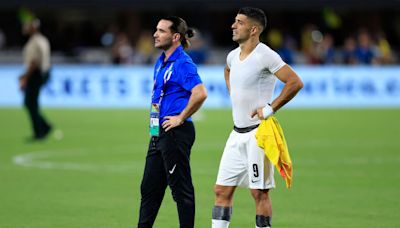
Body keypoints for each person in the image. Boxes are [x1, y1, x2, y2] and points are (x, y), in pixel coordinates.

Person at [212, 7, 303, 228]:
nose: (233, 25)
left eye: (239, 22)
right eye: (234, 21)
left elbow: (295, 82)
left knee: (259, 193)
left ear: (253, 29)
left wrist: (270, 108)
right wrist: (232, 90)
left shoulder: (265, 55)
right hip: (236, 133)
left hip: (257, 134)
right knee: (221, 190)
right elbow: (227, 70)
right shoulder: (232, 56)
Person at [137, 16, 208, 228]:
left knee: (181, 190)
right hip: (158, 132)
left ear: (175, 36)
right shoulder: (161, 61)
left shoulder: (182, 63)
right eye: (155, 29)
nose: (155, 34)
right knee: (149, 189)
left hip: (175, 132)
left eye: (161, 31)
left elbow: (200, 93)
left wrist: (181, 117)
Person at [19, 18, 52, 140]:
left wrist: (25, 77)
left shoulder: (34, 42)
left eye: (27, 26)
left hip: (36, 74)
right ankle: (44, 126)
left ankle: (40, 132)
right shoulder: (43, 40)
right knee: (32, 103)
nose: (25, 28)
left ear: (33, 28)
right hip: (43, 72)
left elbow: (33, 62)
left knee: (30, 102)